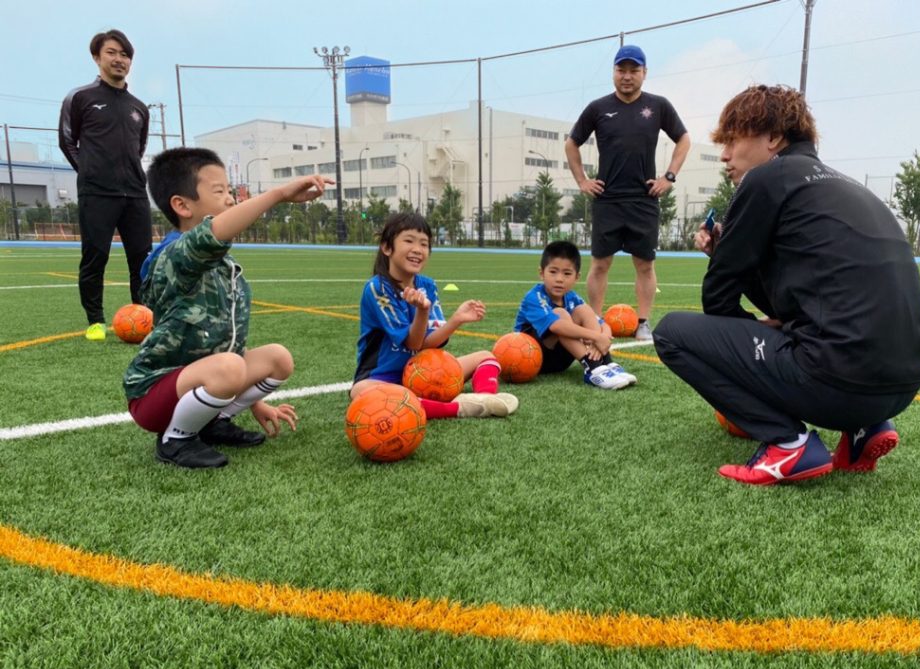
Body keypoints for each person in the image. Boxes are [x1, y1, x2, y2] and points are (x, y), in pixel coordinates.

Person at [653, 85, 920, 486]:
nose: (726, 156)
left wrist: (749, 336)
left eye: (732, 140)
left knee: (673, 333)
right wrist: (769, 318)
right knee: (823, 336)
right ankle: (862, 430)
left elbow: (718, 298)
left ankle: (787, 443)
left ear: (773, 137)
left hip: (837, 381)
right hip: (902, 385)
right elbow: (803, 300)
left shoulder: (767, 179)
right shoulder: (848, 185)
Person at [123, 147, 330, 469]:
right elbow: (209, 237)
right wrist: (277, 194)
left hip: (208, 376)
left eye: (230, 191)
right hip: (154, 394)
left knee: (278, 358)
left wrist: (255, 403)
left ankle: (214, 422)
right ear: (181, 205)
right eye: (219, 191)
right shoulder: (174, 255)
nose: (231, 199)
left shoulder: (222, 265)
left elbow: (224, 344)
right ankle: (175, 439)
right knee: (230, 366)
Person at [565, 44, 691, 341]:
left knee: (645, 264)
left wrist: (669, 177)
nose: (627, 76)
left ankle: (643, 322)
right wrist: (583, 181)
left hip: (643, 199)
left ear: (644, 73)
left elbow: (684, 139)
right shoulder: (597, 108)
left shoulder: (658, 106)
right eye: (621, 70)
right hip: (607, 199)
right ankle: (594, 322)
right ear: (614, 72)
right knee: (600, 263)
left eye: (634, 70)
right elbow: (572, 143)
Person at [351, 211, 518, 418]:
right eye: (409, 241)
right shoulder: (378, 288)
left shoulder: (427, 285)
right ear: (387, 247)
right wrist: (422, 311)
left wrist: (456, 319)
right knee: (361, 391)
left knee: (486, 357)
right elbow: (413, 344)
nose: (417, 249)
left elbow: (430, 344)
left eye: (424, 243)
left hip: (425, 373)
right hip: (383, 376)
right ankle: (457, 409)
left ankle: (484, 398)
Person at [59, 29, 153, 341]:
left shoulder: (139, 107)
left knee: (142, 259)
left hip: (135, 193)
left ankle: (143, 315)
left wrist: (127, 175)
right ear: (97, 57)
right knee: (95, 255)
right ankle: (96, 321)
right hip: (96, 192)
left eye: (125, 54)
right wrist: (88, 172)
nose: (119, 59)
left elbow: (138, 149)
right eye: (112, 53)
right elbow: (67, 141)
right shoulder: (81, 97)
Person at [514, 240, 636, 390]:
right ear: (541, 273)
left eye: (567, 273)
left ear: (576, 277)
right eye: (553, 272)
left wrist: (602, 339)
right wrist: (597, 337)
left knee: (584, 309)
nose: (559, 279)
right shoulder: (534, 297)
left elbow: (602, 324)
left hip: (561, 360)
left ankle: (605, 363)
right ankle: (592, 368)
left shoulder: (573, 297)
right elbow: (557, 326)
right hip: (533, 359)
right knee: (560, 314)